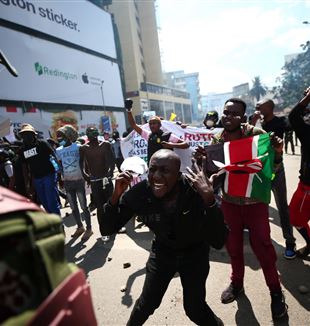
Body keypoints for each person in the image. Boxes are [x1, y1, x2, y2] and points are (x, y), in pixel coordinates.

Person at [101, 149, 228, 325]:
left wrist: (209, 198)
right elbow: (107, 228)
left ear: (178, 174)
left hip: (194, 255)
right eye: (153, 169)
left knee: (194, 308)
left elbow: (218, 240)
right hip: (162, 253)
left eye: (165, 171)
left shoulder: (195, 190)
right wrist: (115, 196)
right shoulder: (140, 193)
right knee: (146, 304)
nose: (157, 176)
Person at [208, 98, 287, 319]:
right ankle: (237, 284)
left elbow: (273, 168)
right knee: (232, 246)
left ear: (243, 118)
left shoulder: (257, 136)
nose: (228, 116)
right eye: (226, 112)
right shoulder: (217, 138)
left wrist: (278, 152)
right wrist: (203, 161)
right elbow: (211, 173)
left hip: (255, 204)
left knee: (263, 248)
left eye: (234, 114)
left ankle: (276, 292)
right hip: (230, 204)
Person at [252, 99, 296, 259]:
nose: (257, 108)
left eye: (260, 105)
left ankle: (290, 242)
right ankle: (263, 243)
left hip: (276, 169)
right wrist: (253, 121)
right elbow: (244, 138)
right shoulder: (255, 124)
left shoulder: (281, 122)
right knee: (259, 207)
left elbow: (295, 123)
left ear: (269, 107)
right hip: (260, 170)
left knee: (282, 207)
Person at [56, 125, 93, 241]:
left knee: (83, 206)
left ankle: (89, 229)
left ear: (67, 136)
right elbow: (60, 165)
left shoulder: (78, 147)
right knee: (73, 207)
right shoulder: (58, 150)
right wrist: (60, 179)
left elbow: (85, 162)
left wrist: (87, 175)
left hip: (79, 181)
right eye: (57, 137)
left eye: (60, 136)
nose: (58, 139)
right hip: (67, 182)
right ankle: (80, 227)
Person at [125, 99, 189, 164]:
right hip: (153, 168)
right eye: (150, 124)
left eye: (154, 123)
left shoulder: (168, 136)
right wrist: (129, 110)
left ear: (160, 125)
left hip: (166, 169)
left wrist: (171, 145)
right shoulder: (148, 135)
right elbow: (133, 125)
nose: (152, 125)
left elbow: (186, 145)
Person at [79, 127, 115, 242]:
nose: (93, 138)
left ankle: (114, 227)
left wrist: (109, 174)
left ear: (97, 135)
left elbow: (111, 161)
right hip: (94, 181)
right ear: (88, 137)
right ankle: (104, 231)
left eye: (94, 135)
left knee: (110, 204)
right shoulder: (84, 148)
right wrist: (85, 175)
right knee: (100, 207)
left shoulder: (105, 145)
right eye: (90, 136)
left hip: (106, 179)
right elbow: (82, 163)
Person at [19, 123, 60, 215]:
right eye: (23, 135)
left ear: (33, 135)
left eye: (28, 134)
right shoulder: (23, 150)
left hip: (49, 175)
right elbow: (25, 168)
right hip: (37, 178)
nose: (26, 137)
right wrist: (28, 185)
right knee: (44, 203)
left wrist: (59, 173)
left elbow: (53, 156)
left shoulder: (42, 144)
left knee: (51, 201)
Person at [288, 87, 310, 257]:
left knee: (295, 217)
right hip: (305, 185)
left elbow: (294, 116)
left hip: (307, 188)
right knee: (294, 216)